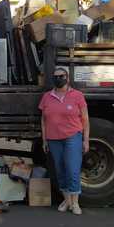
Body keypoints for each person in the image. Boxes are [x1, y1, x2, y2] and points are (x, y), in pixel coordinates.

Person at [38, 67, 89, 215]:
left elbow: (85, 119)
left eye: (61, 76)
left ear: (67, 78)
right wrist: (44, 140)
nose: (58, 79)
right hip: (53, 139)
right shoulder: (47, 96)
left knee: (72, 169)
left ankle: (75, 203)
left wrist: (85, 140)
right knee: (60, 170)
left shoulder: (77, 95)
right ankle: (67, 200)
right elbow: (43, 120)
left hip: (73, 136)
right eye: (55, 77)